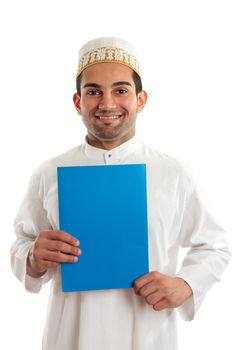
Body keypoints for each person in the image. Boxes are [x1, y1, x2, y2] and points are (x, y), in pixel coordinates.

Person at [10, 37, 231, 350]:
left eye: (120, 90)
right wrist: (33, 257)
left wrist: (185, 284)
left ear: (140, 100)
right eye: (93, 92)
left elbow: (215, 246)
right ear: (78, 102)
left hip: (147, 336)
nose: (107, 103)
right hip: (71, 336)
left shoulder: (174, 173)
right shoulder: (48, 174)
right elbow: (22, 244)